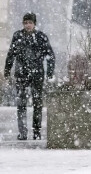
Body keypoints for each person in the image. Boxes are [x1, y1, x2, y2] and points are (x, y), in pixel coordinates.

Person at [4, 12, 55, 141]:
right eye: (25, 23)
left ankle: (36, 131)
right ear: (23, 24)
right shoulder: (17, 36)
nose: (28, 25)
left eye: (30, 23)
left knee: (37, 103)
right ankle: (22, 132)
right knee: (21, 103)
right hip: (21, 74)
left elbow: (50, 55)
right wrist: (7, 70)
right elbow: (11, 54)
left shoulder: (41, 37)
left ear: (34, 24)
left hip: (37, 74)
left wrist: (50, 72)